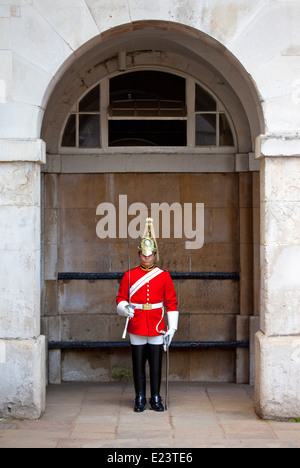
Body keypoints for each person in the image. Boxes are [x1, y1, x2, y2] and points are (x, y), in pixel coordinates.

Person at [116, 218, 179, 413]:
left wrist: (172, 327)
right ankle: (140, 397)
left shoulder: (164, 276)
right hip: (137, 324)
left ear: (155, 255)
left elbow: (171, 302)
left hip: (157, 324)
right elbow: (120, 298)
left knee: (156, 365)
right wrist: (125, 307)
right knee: (138, 364)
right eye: (143, 255)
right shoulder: (129, 275)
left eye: (149, 255)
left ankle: (156, 397)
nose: (146, 258)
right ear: (139, 255)